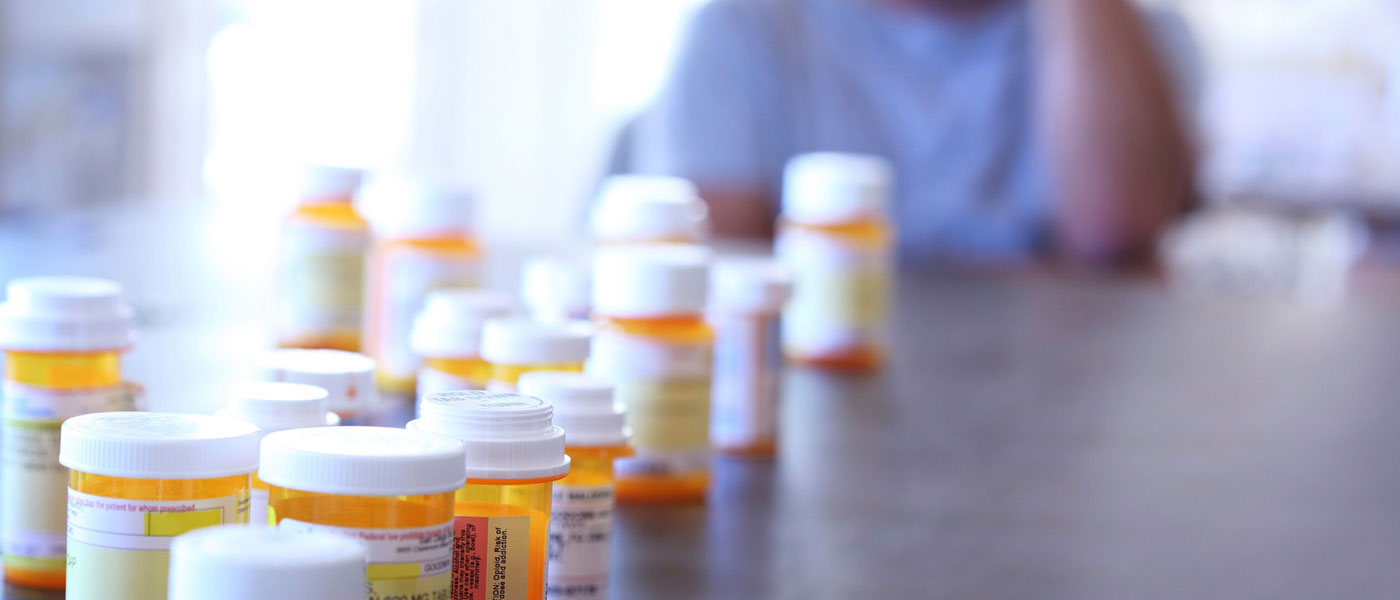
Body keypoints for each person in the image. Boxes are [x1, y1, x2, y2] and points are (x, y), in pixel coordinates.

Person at [627, 0, 1195, 266]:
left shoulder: (1137, 43)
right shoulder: (741, 31)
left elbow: (1115, 225)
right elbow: (710, 282)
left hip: (1068, 428)